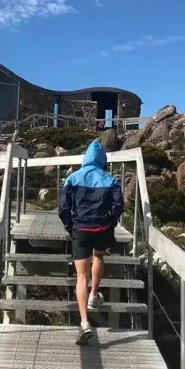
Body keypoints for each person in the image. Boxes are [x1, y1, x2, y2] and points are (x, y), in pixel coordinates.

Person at [58, 140, 123, 345]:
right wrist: (110, 223)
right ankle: (95, 294)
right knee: (99, 255)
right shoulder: (110, 179)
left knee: (80, 276)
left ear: (85, 158)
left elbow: (63, 208)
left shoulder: (72, 178)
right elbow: (118, 204)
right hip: (102, 228)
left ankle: (85, 322)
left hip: (80, 229)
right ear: (102, 159)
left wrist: (72, 227)